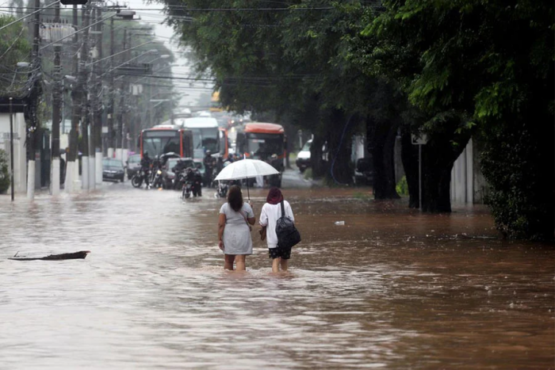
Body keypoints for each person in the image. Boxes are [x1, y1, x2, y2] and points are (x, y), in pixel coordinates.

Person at [218, 185, 255, 271]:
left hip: (229, 234)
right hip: (243, 234)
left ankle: (229, 282)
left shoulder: (224, 207)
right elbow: (252, 222)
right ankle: (240, 282)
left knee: (228, 260)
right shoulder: (246, 206)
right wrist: (250, 208)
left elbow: (221, 224)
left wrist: (219, 238)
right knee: (240, 260)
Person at [259, 187, 295, 273]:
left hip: (272, 239)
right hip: (285, 239)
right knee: (284, 260)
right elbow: (292, 220)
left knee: (275, 260)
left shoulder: (266, 206)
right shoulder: (285, 204)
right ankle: (284, 280)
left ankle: (275, 281)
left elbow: (262, 222)